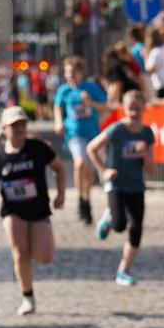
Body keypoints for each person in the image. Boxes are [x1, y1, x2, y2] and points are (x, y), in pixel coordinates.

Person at [0, 107, 66, 316]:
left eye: (22, 124)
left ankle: (35, 249)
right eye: (14, 125)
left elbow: (59, 168)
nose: (19, 128)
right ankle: (27, 297)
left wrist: (61, 194)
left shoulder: (37, 148)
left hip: (38, 208)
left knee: (44, 257)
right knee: (20, 253)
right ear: (4, 129)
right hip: (12, 210)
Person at [87, 90, 155, 286]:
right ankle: (109, 216)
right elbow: (91, 147)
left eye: (137, 108)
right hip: (116, 184)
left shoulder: (146, 133)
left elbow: (150, 170)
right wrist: (103, 170)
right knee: (119, 225)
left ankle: (123, 270)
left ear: (143, 109)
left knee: (137, 229)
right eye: (130, 109)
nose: (134, 112)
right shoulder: (116, 130)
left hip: (136, 186)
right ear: (124, 109)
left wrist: (144, 154)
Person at [53, 56, 107, 224]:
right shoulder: (64, 90)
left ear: (81, 72)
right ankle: (79, 198)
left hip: (92, 133)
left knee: (89, 172)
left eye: (73, 72)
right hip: (74, 133)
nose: (70, 75)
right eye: (67, 72)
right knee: (79, 163)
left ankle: (86, 198)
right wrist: (59, 121)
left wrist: (89, 102)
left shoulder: (91, 87)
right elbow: (57, 106)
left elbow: (105, 105)